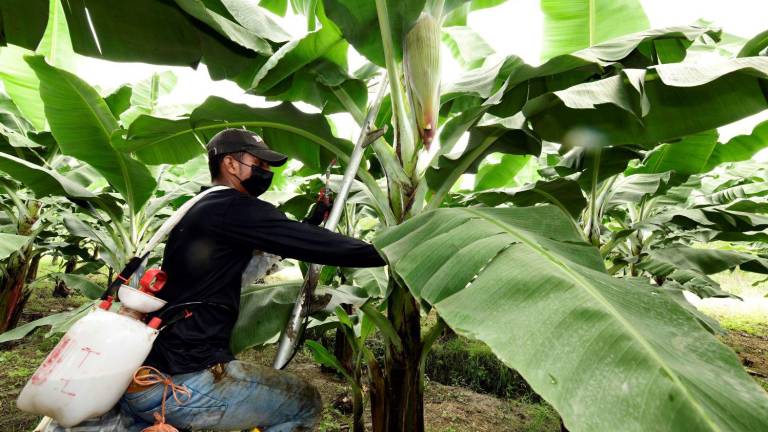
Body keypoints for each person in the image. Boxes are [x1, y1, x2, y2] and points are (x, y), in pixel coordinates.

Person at [114, 128, 386, 431]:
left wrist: (311, 221)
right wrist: (391, 252)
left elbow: (259, 254)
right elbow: (309, 243)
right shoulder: (233, 207)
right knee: (304, 403)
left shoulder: (201, 206)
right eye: (260, 163)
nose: (266, 171)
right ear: (230, 164)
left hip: (144, 376)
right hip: (182, 382)